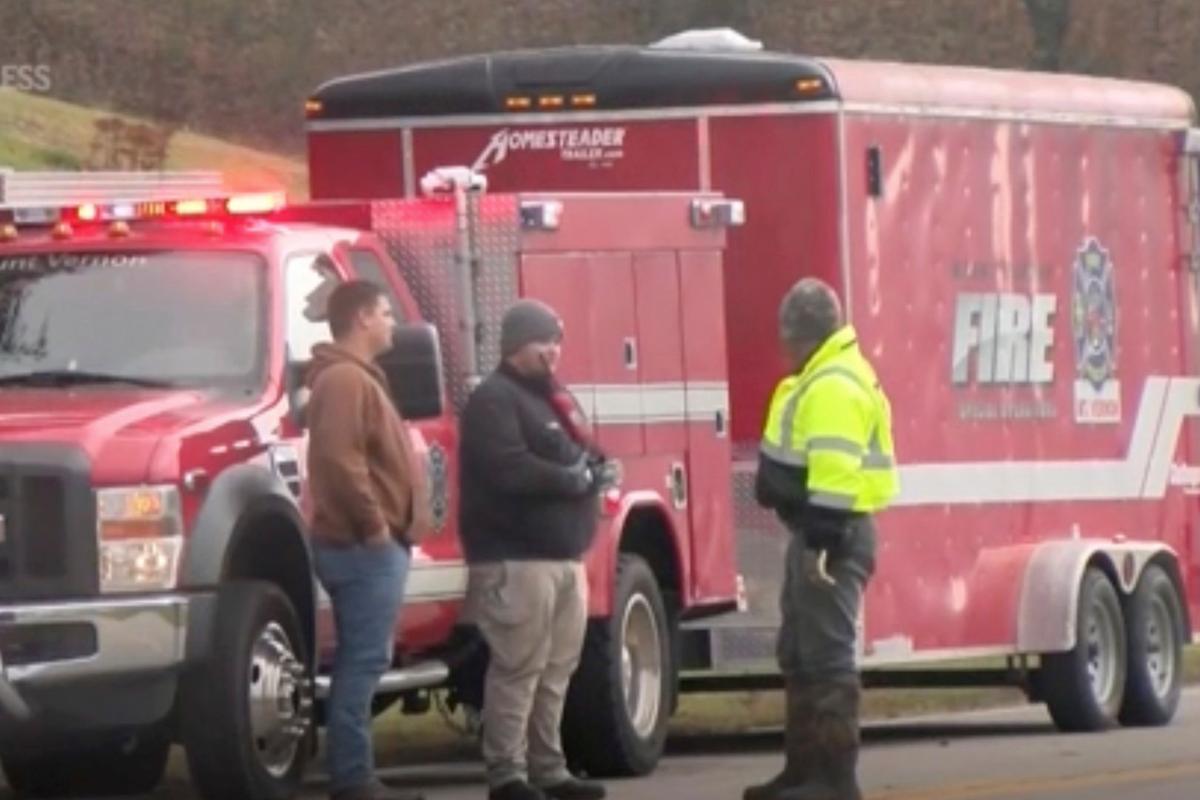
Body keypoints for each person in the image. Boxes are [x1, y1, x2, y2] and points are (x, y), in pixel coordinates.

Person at [743, 278, 899, 800]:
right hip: (815, 532)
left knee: (827, 657)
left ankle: (833, 778)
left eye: (789, 336)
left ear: (803, 334)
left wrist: (821, 547)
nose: (784, 347)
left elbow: (834, 476)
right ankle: (803, 771)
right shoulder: (822, 376)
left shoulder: (833, 383)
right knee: (800, 653)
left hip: (831, 534)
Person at [459, 298, 613, 800]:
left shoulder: (558, 400)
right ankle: (506, 773)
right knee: (518, 667)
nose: (553, 351)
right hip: (515, 560)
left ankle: (550, 768)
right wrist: (570, 480)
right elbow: (508, 468)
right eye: (542, 341)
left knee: (557, 668)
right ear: (515, 347)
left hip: (565, 559)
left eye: (557, 341)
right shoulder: (493, 401)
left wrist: (598, 469)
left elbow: (582, 451)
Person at [305, 280, 430, 800]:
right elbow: (339, 459)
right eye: (383, 312)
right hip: (362, 548)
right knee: (363, 662)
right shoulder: (344, 381)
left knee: (365, 659)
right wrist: (376, 528)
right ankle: (353, 779)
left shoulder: (355, 379)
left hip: (369, 546)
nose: (390, 323)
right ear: (359, 319)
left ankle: (356, 774)